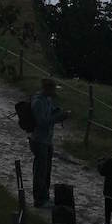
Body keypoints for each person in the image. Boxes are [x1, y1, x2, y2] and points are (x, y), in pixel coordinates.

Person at [29, 77, 70, 207]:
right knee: (40, 171)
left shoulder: (47, 99)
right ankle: (39, 199)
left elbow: (50, 112)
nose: (55, 92)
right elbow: (41, 122)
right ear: (47, 89)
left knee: (46, 171)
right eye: (53, 89)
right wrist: (58, 118)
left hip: (47, 140)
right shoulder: (38, 102)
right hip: (39, 140)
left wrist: (57, 111)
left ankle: (45, 196)